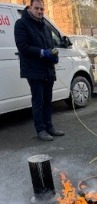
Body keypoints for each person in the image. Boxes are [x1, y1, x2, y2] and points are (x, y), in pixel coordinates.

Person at [14, 0, 64, 141]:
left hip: (48, 69)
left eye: (42, 9)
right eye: (37, 8)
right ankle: (40, 130)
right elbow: (23, 47)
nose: (40, 11)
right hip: (34, 70)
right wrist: (42, 53)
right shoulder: (21, 24)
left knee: (48, 100)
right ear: (30, 8)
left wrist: (54, 57)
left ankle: (49, 127)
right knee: (38, 101)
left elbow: (51, 46)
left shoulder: (45, 26)